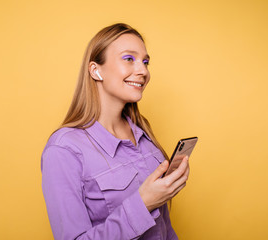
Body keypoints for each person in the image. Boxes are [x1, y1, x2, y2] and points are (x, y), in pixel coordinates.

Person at [41, 23, 190, 240]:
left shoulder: (144, 134)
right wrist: (143, 203)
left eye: (145, 62)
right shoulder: (64, 150)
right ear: (95, 70)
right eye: (129, 59)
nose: (143, 71)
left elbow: (164, 229)